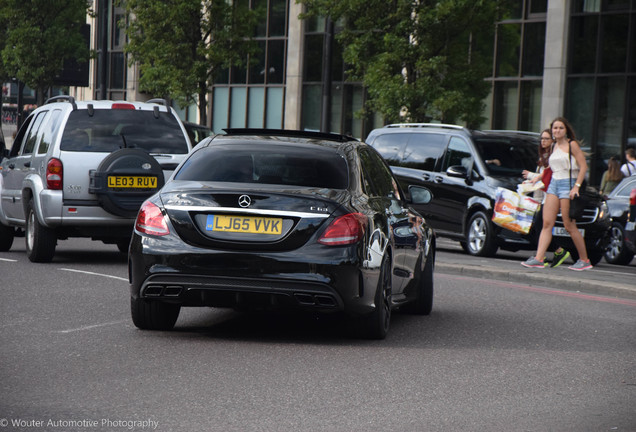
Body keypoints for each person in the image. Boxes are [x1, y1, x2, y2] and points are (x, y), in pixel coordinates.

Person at [522, 117, 592, 271]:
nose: (557, 131)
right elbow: (550, 168)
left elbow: (583, 166)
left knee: (569, 225)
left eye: (560, 128)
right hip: (554, 183)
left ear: (566, 130)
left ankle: (584, 260)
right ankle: (539, 258)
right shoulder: (553, 146)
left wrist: (576, 187)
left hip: (568, 183)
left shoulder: (571, 145)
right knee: (547, 223)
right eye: (555, 128)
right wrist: (537, 178)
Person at [521, 129, 570, 267]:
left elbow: (549, 176)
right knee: (540, 226)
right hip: (544, 196)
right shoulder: (544, 156)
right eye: (542, 138)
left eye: (547, 139)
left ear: (553, 141)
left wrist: (532, 177)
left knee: (540, 225)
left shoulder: (554, 156)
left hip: (552, 195)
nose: (543, 141)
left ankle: (543, 256)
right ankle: (553, 252)